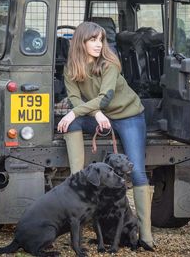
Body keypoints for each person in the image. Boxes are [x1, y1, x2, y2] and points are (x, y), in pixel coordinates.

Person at [57, 21, 155, 251]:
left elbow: (105, 97)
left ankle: (147, 236)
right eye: (93, 40)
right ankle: (77, 177)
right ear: (81, 42)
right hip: (98, 114)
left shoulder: (110, 64)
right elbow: (75, 98)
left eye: (101, 39)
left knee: (138, 171)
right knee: (71, 124)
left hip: (128, 115)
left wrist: (76, 112)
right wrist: (97, 114)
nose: (98, 44)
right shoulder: (71, 68)